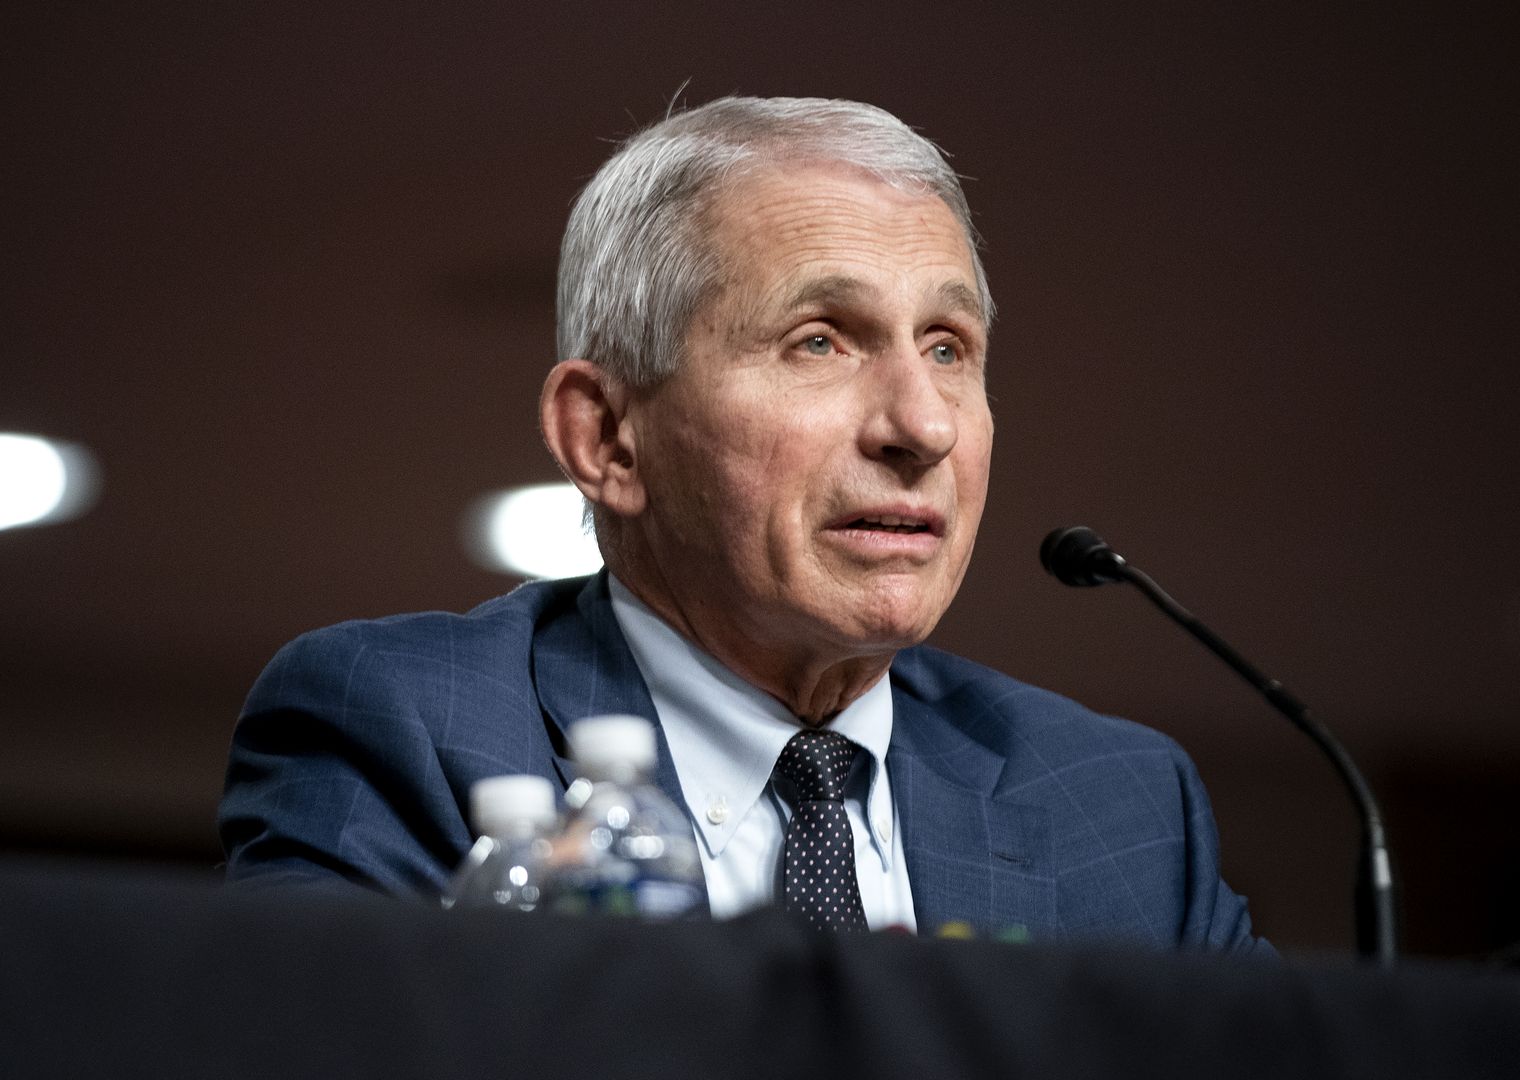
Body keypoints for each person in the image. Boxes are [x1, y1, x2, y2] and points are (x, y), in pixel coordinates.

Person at [219, 96, 1265, 950]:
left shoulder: (1122, 810)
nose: (923, 424)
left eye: (948, 347)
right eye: (821, 341)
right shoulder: (409, 732)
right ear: (609, 439)